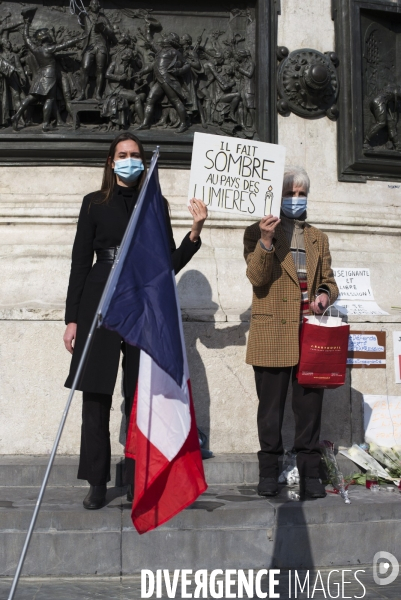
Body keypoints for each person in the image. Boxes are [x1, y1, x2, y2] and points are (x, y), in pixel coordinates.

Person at [63, 131, 208, 510]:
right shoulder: (93, 203)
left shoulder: (154, 204)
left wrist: (195, 233)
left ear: (144, 162)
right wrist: (72, 319)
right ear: (111, 163)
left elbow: (166, 267)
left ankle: (134, 477)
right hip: (100, 300)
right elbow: (80, 263)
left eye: (135, 154)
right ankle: (96, 481)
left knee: (137, 395)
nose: (129, 159)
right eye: (122, 154)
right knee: (96, 395)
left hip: (142, 303)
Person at [243, 166, 339, 499]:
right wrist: (267, 241)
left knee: (309, 409)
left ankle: (310, 473)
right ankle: (268, 471)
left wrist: (325, 294)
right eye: (289, 193)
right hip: (272, 333)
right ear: (275, 195)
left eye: (301, 194)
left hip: (310, 336)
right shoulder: (255, 232)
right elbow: (257, 278)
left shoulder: (318, 237)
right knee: (270, 411)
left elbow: (328, 279)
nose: (295, 199)